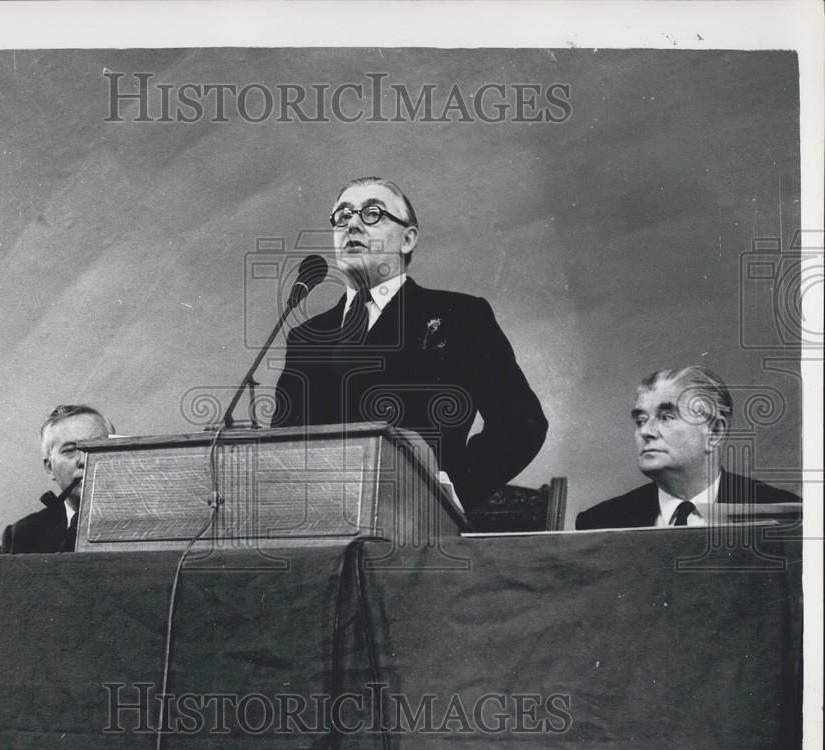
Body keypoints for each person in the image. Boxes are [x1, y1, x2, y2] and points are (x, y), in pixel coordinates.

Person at [272, 176, 547, 512]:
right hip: (322, 525)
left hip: (417, 529)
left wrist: (446, 493)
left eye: (372, 213)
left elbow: (522, 423)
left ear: (407, 238)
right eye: (342, 216)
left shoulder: (460, 316)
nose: (353, 225)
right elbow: (281, 449)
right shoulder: (305, 338)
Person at [575, 366, 800, 529]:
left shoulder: (784, 515)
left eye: (666, 417)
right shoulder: (601, 523)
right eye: (641, 420)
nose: (646, 431)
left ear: (715, 432)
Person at [2, 404, 115, 554]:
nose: (84, 460)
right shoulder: (21, 535)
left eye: (97, 446)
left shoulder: (150, 522)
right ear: (50, 468)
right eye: (70, 450)